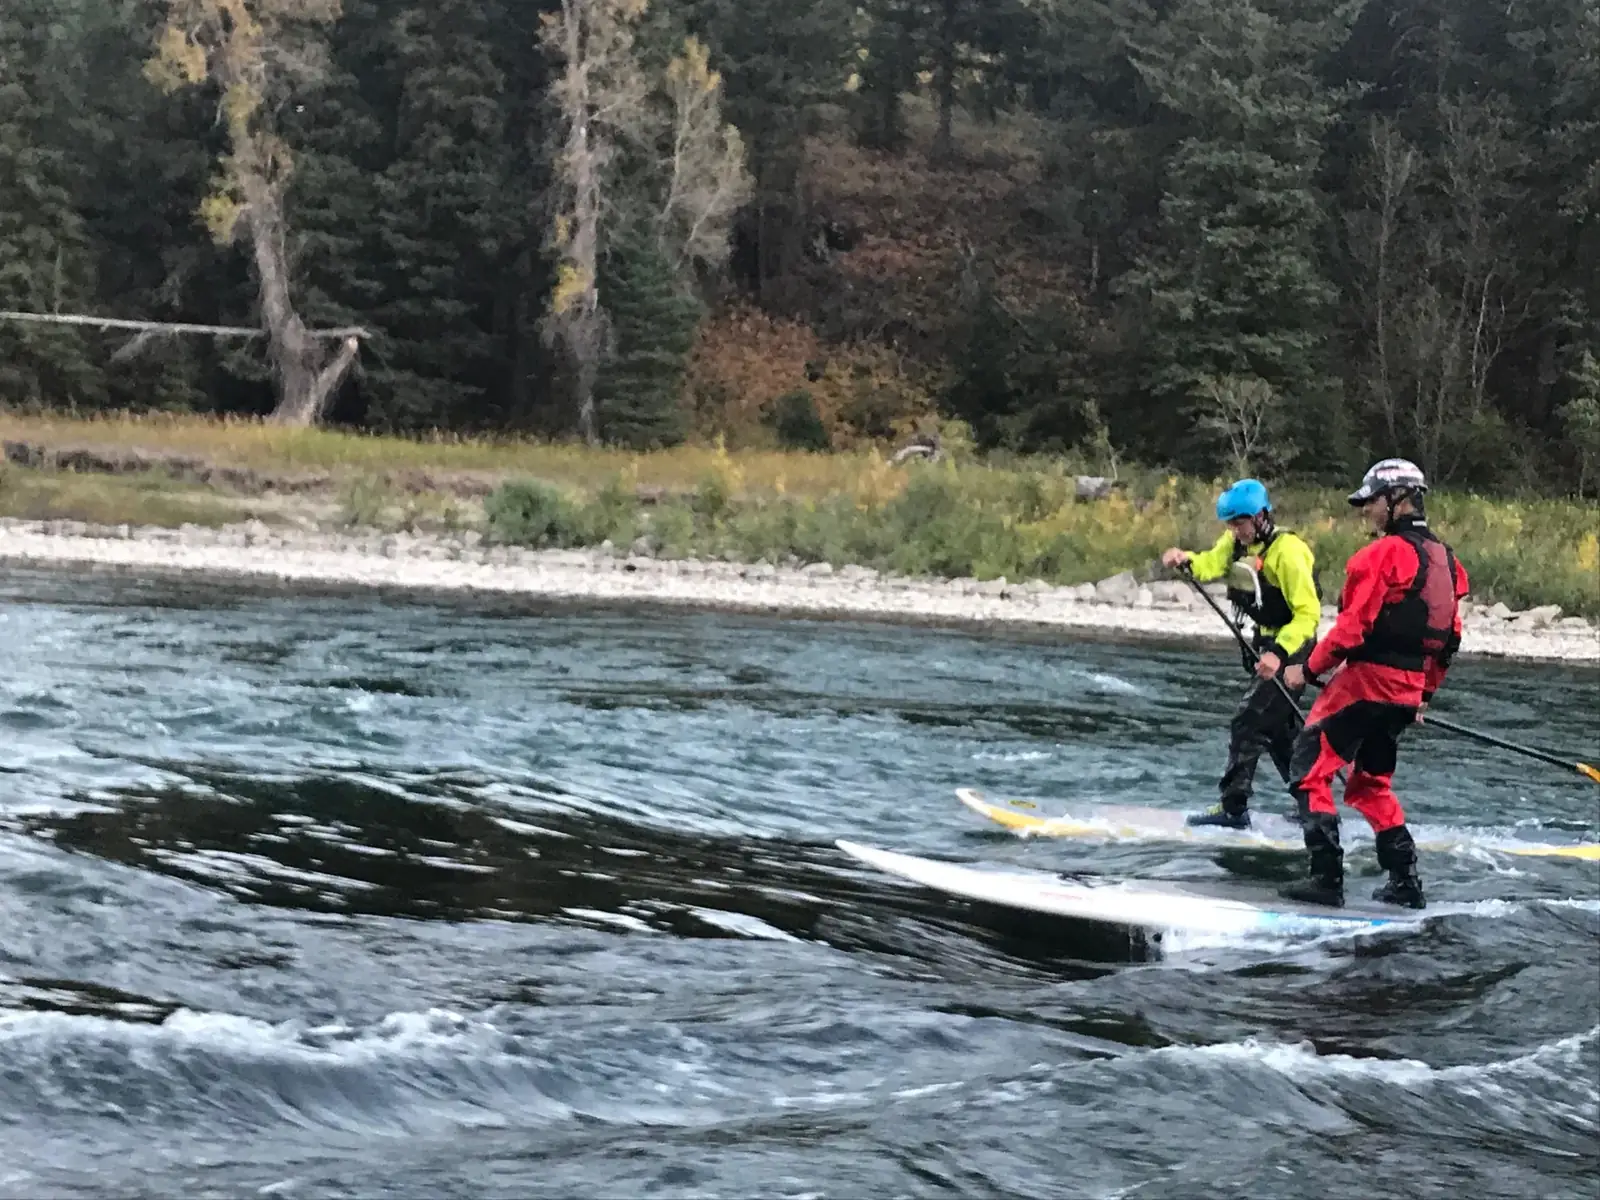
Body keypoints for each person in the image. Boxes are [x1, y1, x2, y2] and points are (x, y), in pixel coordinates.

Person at [1279, 458, 1469, 910]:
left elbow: (1350, 631)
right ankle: (1405, 883)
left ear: (1398, 500)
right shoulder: (1448, 561)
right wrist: (1423, 695)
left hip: (1366, 684)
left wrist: (1304, 671)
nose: (1366, 511)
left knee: (1307, 770)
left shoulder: (1381, 555)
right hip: (1405, 692)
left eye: (1371, 502)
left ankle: (1326, 880)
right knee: (1369, 785)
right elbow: (1450, 639)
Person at [1160, 479, 1322, 830]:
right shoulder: (1234, 543)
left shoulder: (1288, 551)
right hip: (1264, 646)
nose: (1235, 530)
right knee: (1278, 730)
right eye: (1231, 524)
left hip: (1292, 649)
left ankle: (1233, 808)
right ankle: (1312, 804)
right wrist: (1185, 559)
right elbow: (1209, 565)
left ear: (1261, 516)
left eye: (1241, 523)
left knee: (1247, 721)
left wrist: (1279, 652)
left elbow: (1309, 614)